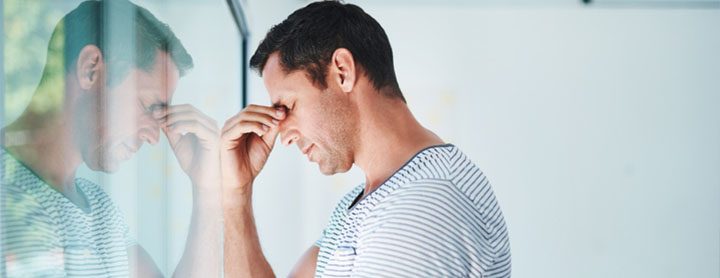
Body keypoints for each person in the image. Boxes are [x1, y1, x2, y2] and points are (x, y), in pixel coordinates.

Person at [220, 1, 511, 277]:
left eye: (288, 106)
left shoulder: (420, 207)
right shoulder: (372, 201)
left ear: (342, 72)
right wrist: (237, 194)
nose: (283, 135)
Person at [1, 0, 221, 277]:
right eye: (148, 106)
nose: (154, 136)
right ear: (90, 69)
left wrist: (207, 189)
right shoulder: (10, 197)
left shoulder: (100, 209)